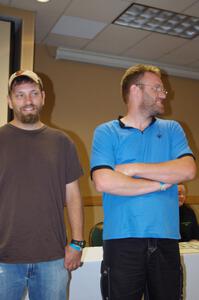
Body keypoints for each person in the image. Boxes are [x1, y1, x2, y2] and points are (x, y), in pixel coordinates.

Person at [90, 64, 196, 300]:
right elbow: (104, 181)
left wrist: (132, 169)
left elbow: (188, 169)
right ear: (135, 90)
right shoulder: (106, 132)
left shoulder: (172, 129)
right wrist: (160, 184)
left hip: (166, 239)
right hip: (122, 241)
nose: (163, 94)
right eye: (157, 88)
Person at [0, 70, 85, 300]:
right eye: (20, 95)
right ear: (9, 101)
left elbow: (73, 195)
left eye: (33, 93)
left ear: (43, 97)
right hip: (4, 259)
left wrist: (77, 243)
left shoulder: (62, 142)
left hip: (53, 259)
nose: (28, 101)